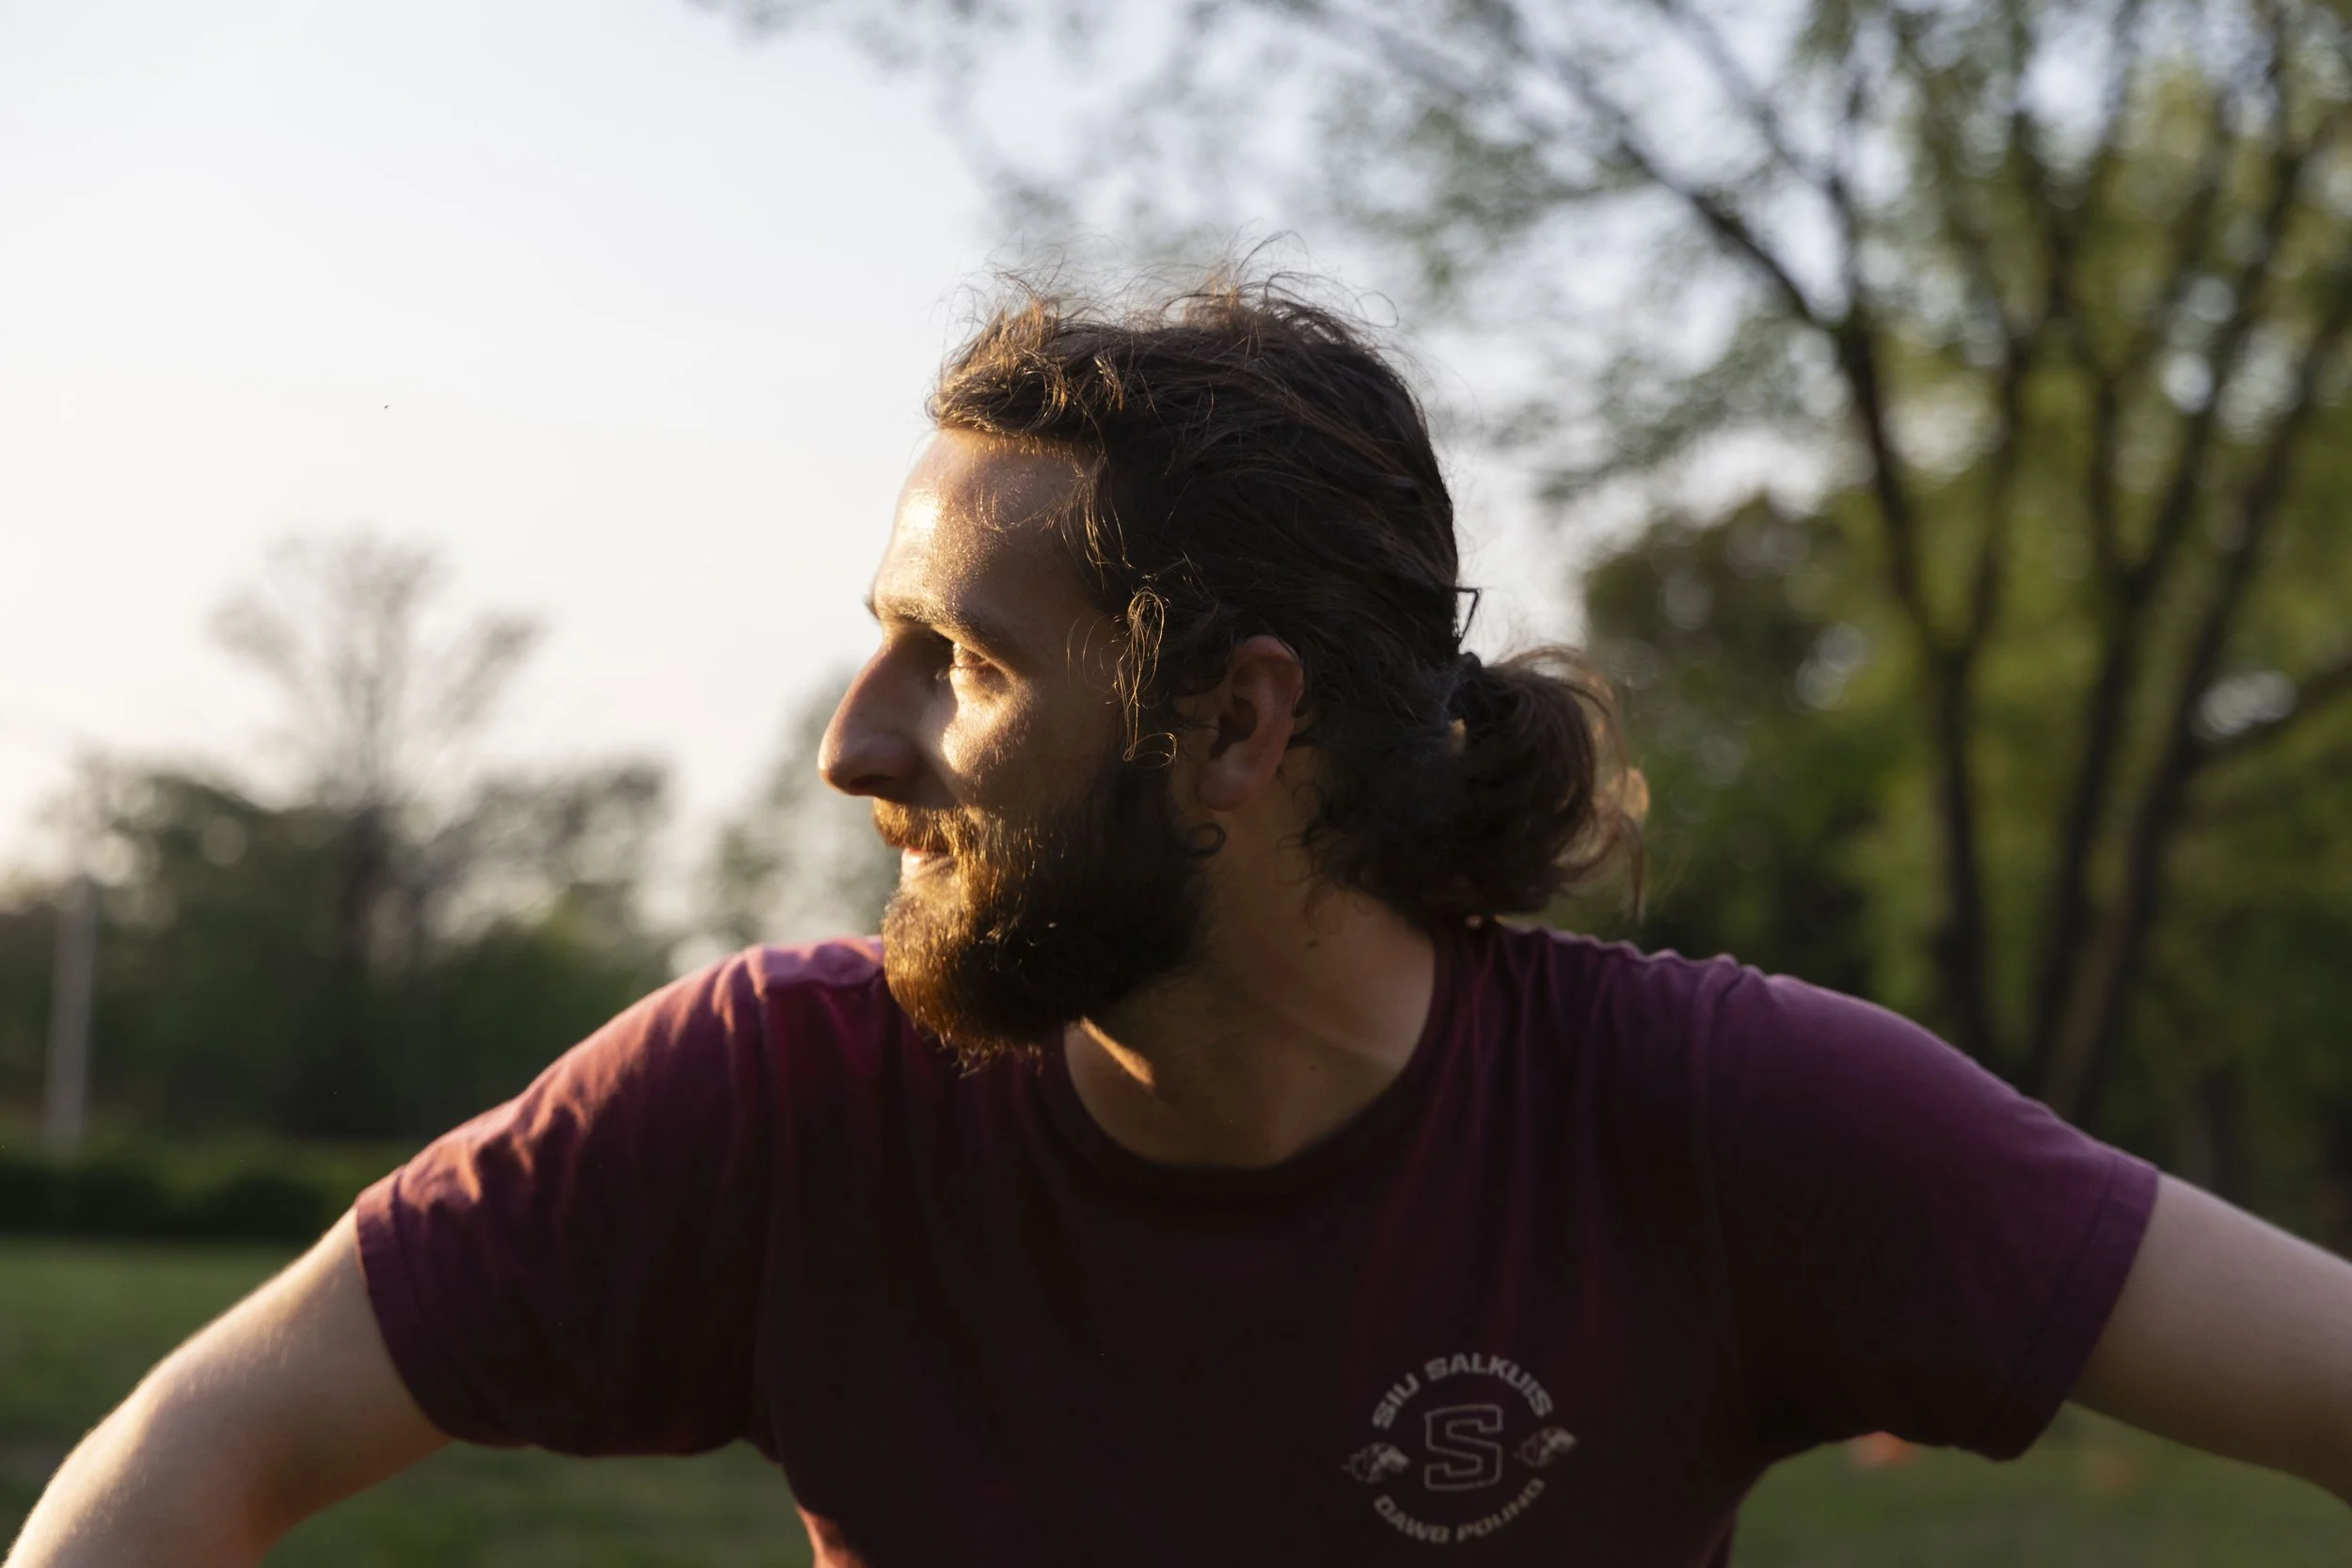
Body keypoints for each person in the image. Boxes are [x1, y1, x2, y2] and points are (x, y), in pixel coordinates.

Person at [11, 278, 2352, 1568]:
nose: (849, 744)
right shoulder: (769, 1097)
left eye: (958, 661)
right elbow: (199, 1446)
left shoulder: (1707, 1114)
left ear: (1237, 725)